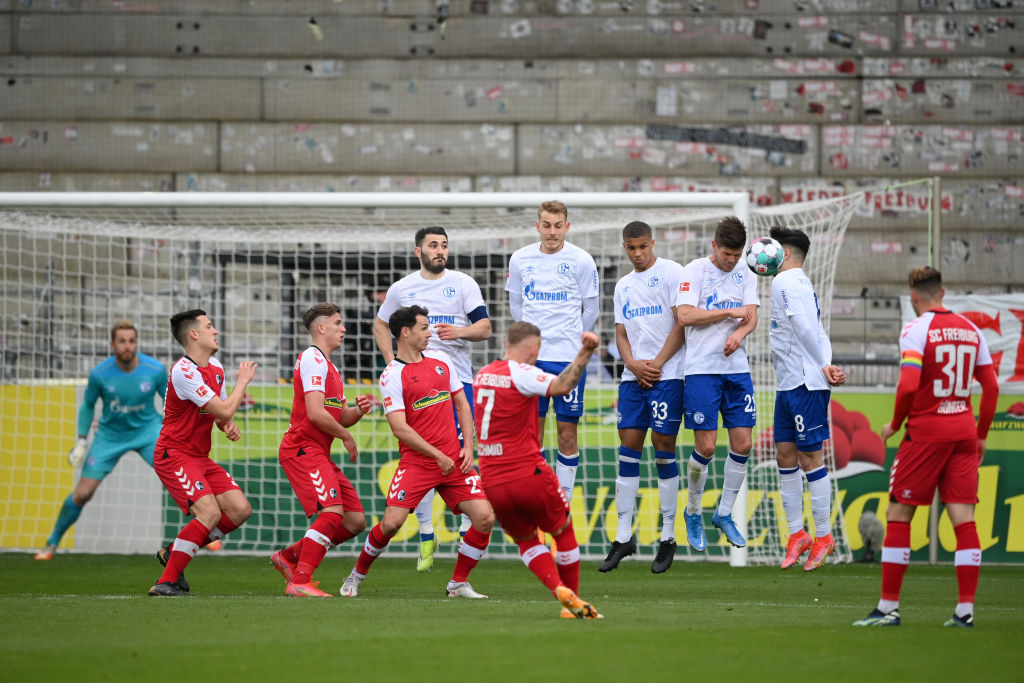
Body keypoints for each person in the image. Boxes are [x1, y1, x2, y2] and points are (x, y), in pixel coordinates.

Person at [854, 266, 998, 628]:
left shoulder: (916, 330)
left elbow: (907, 386)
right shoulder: (972, 330)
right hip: (964, 432)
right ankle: (965, 612)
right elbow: (991, 387)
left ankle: (888, 609)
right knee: (964, 520)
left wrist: (895, 424)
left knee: (900, 515)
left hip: (926, 434)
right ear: (943, 292)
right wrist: (981, 434)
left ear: (914, 297)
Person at [340, 305, 495, 599]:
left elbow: (462, 405)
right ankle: (355, 576)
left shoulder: (440, 361)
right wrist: (437, 455)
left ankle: (458, 584)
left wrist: (468, 448)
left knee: (485, 517)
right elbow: (399, 428)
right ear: (405, 332)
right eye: (424, 327)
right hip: (419, 464)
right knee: (391, 524)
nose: (430, 333)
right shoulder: (392, 376)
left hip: (455, 460)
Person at [373, 226, 491, 572]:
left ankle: (466, 526)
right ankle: (426, 532)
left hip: (456, 383)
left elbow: (484, 328)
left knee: (461, 454)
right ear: (418, 251)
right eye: (433, 246)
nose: (440, 251)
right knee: (421, 454)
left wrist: (460, 332)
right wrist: (393, 365)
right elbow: (381, 325)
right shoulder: (402, 288)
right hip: (414, 387)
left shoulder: (464, 283)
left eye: (444, 246)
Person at [473, 323, 602, 619]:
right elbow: (562, 386)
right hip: (526, 473)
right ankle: (571, 604)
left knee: (527, 540)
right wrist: (586, 351)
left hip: (492, 480)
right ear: (534, 350)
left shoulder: (482, 374)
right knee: (563, 529)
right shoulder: (523, 372)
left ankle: (558, 589)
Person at [35, 320, 167, 560]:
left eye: (131, 341)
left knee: (178, 479)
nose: (127, 346)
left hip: (149, 432)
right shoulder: (99, 374)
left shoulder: (155, 370)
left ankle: (206, 533)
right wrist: (82, 441)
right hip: (110, 436)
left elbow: (171, 401)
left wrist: (177, 432)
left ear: (136, 343)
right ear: (112, 344)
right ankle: (51, 543)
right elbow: (87, 405)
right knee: (83, 492)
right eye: (122, 341)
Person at [147, 309, 257, 596]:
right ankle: (166, 581)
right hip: (174, 454)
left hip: (198, 456)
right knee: (208, 513)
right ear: (193, 334)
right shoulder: (183, 371)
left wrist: (227, 426)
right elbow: (223, 407)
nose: (215, 331)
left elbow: (220, 414)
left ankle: (175, 550)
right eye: (209, 326)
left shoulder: (216, 368)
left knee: (240, 509)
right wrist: (243, 381)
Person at [599, 221, 687, 574]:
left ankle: (667, 537)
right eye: (631, 249)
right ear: (625, 247)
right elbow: (620, 332)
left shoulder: (672, 273)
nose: (637, 254)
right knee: (628, 448)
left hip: (668, 375)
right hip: (632, 377)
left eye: (642, 247)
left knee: (663, 445)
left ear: (653, 243)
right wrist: (633, 365)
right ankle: (623, 537)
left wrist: (657, 364)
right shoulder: (623, 286)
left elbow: (682, 324)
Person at [269, 304, 374, 597]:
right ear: (321, 328)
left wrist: (358, 411)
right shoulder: (312, 359)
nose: (344, 328)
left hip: (317, 451)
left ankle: (289, 557)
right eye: (338, 323)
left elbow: (338, 416)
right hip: (301, 448)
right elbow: (316, 414)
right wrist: (346, 438)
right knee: (331, 512)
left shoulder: (331, 367)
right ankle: (300, 581)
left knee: (354, 521)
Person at [505, 200, 599, 505]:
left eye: (558, 226)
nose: (552, 232)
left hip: (568, 360)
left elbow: (592, 308)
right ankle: (539, 497)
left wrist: (573, 342)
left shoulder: (582, 260)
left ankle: (563, 504)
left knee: (567, 436)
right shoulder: (520, 259)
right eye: (546, 225)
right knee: (533, 436)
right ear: (538, 226)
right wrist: (531, 343)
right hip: (534, 360)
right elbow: (516, 307)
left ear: (567, 227)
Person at [674, 216, 759, 552]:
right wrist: (727, 314)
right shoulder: (694, 271)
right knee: (706, 447)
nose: (732, 260)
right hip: (701, 370)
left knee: (743, 445)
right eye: (727, 253)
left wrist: (739, 333)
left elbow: (750, 314)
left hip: (737, 371)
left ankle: (724, 514)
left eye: (736, 255)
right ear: (714, 246)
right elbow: (685, 316)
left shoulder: (747, 271)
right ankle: (693, 510)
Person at [767, 226, 847, 572]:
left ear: (784, 254)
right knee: (785, 455)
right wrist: (826, 362)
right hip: (788, 384)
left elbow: (804, 327)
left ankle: (824, 536)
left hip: (804, 384)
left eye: (771, 250)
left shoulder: (785, 282)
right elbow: (818, 328)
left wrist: (823, 366)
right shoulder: (801, 283)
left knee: (810, 458)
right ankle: (797, 533)